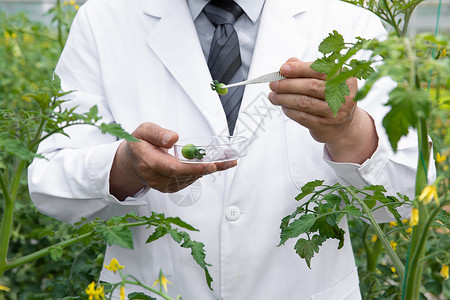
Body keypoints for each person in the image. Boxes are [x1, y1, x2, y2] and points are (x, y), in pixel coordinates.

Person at [28, 0, 432, 299]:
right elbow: (50, 181)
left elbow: (410, 200)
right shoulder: (104, 21)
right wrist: (126, 167)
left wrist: (348, 130)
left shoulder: (349, 23)